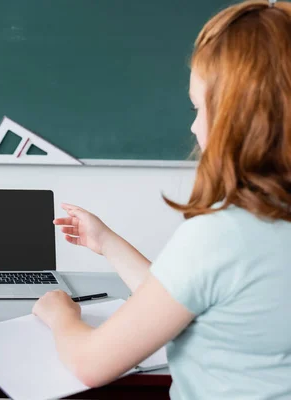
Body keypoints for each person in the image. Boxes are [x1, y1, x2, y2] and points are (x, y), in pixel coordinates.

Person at [32, 1, 291, 398]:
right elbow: (185, 297)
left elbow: (90, 363)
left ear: (236, 117)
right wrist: (106, 243)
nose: (193, 124)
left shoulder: (224, 236)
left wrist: (60, 316)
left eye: (198, 107)